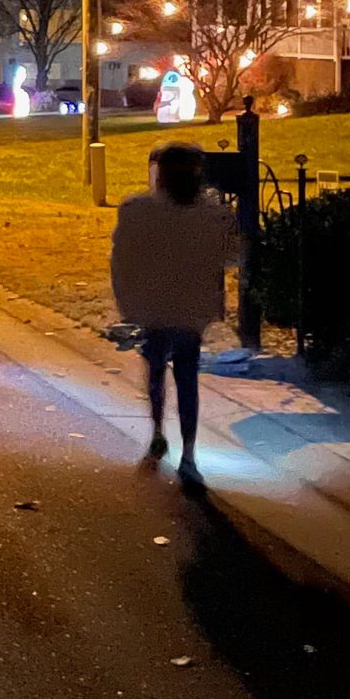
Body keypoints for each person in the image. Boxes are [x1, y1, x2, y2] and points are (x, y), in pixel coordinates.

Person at [110, 139, 235, 482]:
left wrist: (128, 304)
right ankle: (189, 453)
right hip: (191, 311)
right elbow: (231, 255)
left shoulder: (137, 211)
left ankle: (157, 432)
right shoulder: (212, 215)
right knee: (187, 378)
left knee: (155, 372)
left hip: (154, 308)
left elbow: (122, 261)